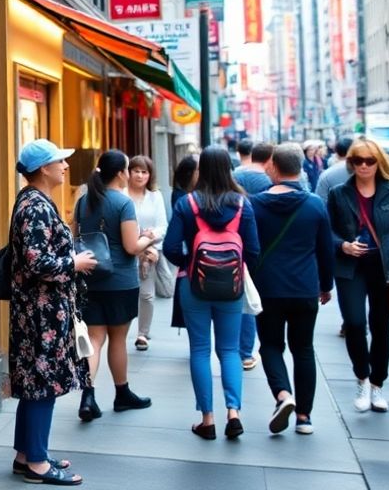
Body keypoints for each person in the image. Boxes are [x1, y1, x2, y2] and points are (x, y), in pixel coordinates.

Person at [8, 139, 97, 486]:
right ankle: (37, 463)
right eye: (59, 161)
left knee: (36, 383)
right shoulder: (35, 206)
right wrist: (75, 262)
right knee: (42, 385)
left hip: (40, 310)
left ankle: (26, 454)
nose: (65, 166)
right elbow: (36, 262)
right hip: (40, 313)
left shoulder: (34, 201)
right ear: (43, 168)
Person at [164, 147, 260, 440]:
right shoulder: (243, 204)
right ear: (228, 169)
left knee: (200, 350)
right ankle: (234, 413)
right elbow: (254, 251)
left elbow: (169, 247)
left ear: (201, 169)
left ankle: (207, 419)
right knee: (230, 351)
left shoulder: (188, 204)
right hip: (231, 287)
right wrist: (232, 268)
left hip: (194, 285)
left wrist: (190, 263)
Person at [249, 144, 335, 435]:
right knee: (303, 349)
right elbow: (326, 251)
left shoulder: (255, 204)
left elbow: (249, 248)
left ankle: (283, 395)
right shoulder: (314, 205)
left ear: (272, 166)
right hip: (304, 287)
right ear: (300, 167)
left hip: (267, 287)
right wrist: (326, 285)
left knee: (271, 345)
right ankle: (304, 417)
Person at [328, 138, 389, 414]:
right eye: (357, 161)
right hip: (350, 267)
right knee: (354, 323)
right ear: (350, 164)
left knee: (380, 327)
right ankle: (362, 378)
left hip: (383, 266)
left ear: (378, 162)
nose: (364, 166)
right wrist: (342, 245)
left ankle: (377, 384)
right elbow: (326, 231)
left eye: (369, 160)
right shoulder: (339, 193)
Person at [72, 150, 158, 421]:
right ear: (121, 173)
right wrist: (149, 239)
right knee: (118, 339)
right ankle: (122, 394)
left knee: (95, 339)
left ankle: (88, 396)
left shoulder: (83, 201)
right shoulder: (123, 203)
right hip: (120, 280)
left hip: (89, 278)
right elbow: (132, 247)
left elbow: (76, 237)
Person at [232, 141, 274, 369]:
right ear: (269, 158)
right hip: (266, 244)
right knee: (253, 296)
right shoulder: (270, 179)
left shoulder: (236, 175)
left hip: (237, 242)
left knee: (243, 295)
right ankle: (247, 352)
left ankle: (241, 350)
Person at [125, 155, 168, 352]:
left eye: (144, 172)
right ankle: (121, 330)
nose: (140, 175)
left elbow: (162, 226)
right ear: (129, 172)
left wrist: (151, 237)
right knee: (126, 294)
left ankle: (142, 333)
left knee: (147, 296)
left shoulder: (155, 196)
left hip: (148, 253)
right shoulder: (122, 195)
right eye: (136, 171)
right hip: (125, 252)